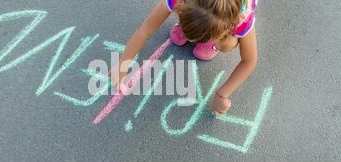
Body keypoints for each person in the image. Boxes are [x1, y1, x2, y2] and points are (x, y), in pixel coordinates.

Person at [110, 0, 258, 116]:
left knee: (228, 43)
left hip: (222, 22)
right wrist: (122, 64)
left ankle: (212, 42)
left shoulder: (241, 18)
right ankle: (188, 26)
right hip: (203, 13)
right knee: (191, 22)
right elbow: (145, 29)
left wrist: (222, 94)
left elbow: (249, 61)